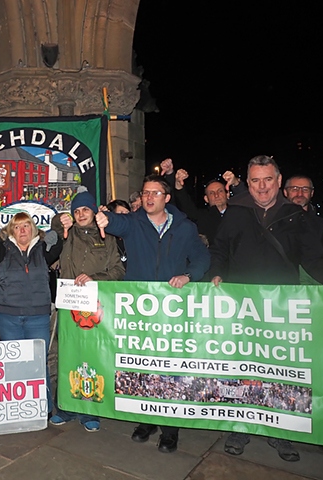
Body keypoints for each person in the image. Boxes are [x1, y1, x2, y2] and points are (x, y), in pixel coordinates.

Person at [209, 155, 323, 462]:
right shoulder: (235, 214)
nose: (262, 187)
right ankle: (240, 426)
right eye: (256, 181)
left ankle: (280, 432)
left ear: (279, 181)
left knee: (278, 371)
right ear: (248, 184)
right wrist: (216, 272)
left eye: (268, 179)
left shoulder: (293, 216)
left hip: (281, 308)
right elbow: (219, 249)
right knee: (242, 367)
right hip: (241, 307)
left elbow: (312, 260)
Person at [95, 175, 211, 453]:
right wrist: (104, 219)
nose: (148, 198)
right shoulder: (134, 223)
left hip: (172, 310)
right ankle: (145, 419)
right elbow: (116, 222)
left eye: (155, 193)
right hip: (140, 309)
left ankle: (170, 429)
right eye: (145, 193)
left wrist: (188, 275)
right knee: (141, 364)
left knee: (169, 367)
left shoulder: (184, 228)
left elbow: (202, 257)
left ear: (166, 198)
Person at [49, 188, 125, 432]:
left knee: (90, 356)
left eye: (85, 210)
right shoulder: (67, 234)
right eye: (77, 210)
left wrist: (95, 278)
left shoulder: (108, 238)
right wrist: (60, 221)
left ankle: (90, 410)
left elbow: (118, 271)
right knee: (65, 356)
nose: (81, 214)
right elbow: (51, 230)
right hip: (67, 306)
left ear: (94, 211)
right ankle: (66, 407)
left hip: (94, 309)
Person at [0, 212, 61, 414]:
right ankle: (15, 407)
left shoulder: (43, 248)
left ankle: (43, 407)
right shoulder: (3, 249)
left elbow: (59, 245)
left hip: (37, 317)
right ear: (11, 230)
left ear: (33, 228)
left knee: (38, 363)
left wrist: (54, 239)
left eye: (26, 226)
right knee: (13, 364)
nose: (22, 230)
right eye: (17, 226)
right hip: (8, 317)